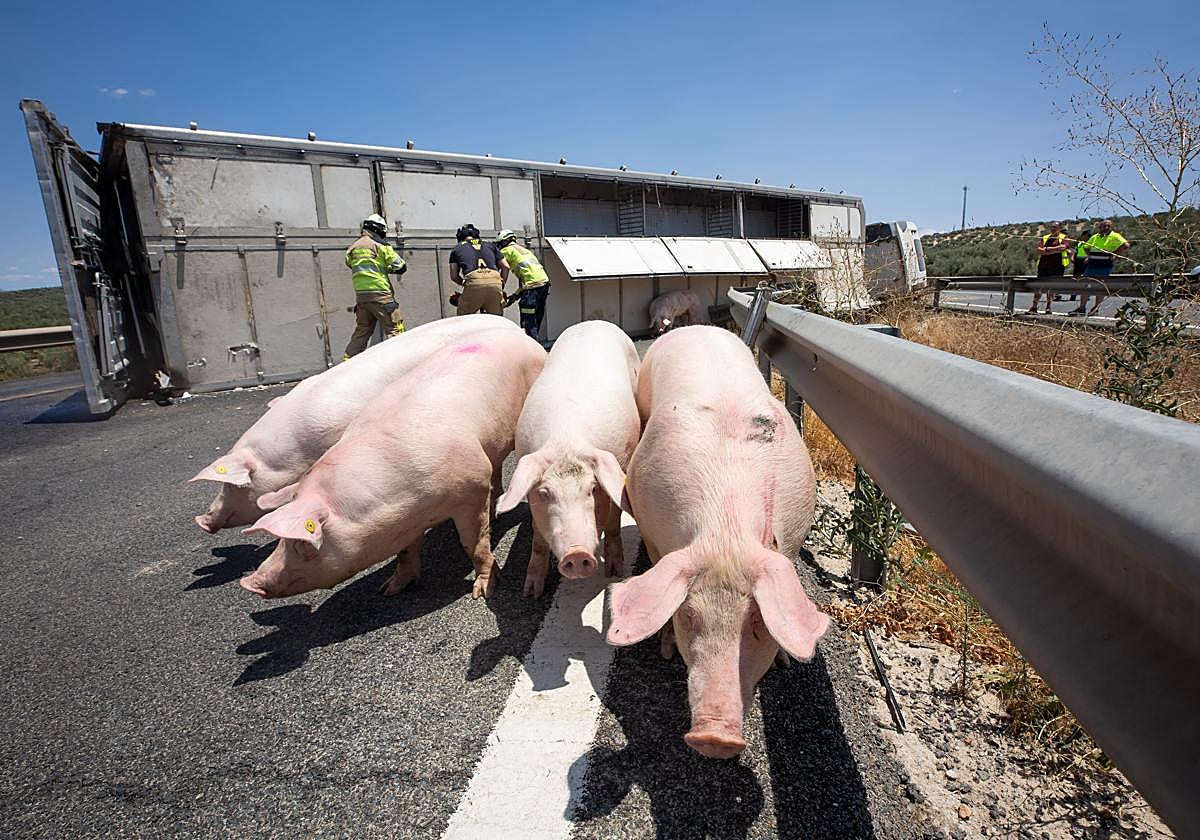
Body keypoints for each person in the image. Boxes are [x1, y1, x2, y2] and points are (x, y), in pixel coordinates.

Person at [343, 213, 407, 359]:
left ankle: (348, 362)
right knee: (395, 329)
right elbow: (400, 266)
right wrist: (388, 268)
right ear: (378, 230)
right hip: (381, 295)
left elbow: (351, 265)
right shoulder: (381, 246)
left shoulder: (352, 248)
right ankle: (400, 363)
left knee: (362, 331)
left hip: (362, 298)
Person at [496, 229, 550, 340]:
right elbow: (526, 282)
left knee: (528, 321)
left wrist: (498, 288)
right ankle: (535, 344)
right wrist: (514, 296)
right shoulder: (525, 251)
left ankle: (532, 347)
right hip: (543, 285)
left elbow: (499, 268)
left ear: (504, 242)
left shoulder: (506, 250)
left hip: (532, 287)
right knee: (536, 318)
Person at [1069, 219, 1130, 316]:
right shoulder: (1095, 236)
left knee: (1100, 287)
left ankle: (1095, 308)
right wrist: (1089, 256)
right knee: (1085, 285)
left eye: (1108, 226)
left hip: (1104, 265)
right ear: (1100, 227)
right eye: (1104, 226)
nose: (1106, 228)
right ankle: (1082, 308)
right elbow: (1086, 247)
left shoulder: (1115, 236)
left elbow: (1126, 245)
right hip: (1092, 265)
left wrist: (1115, 254)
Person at [449, 224, 509, 315]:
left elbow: (454, 276)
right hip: (495, 279)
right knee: (496, 319)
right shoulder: (490, 245)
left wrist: (466, 285)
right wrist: (501, 286)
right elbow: (506, 267)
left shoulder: (457, 248)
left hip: (473, 279)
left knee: (464, 319)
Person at [1029, 222, 1069, 314]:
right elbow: (1039, 250)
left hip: (1057, 267)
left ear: (1059, 228)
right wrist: (1054, 250)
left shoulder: (1063, 237)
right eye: (1052, 227)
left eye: (1055, 227)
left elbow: (1062, 248)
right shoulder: (1045, 237)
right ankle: (1034, 306)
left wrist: (1046, 250)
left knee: (1051, 288)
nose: (1053, 229)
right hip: (1043, 266)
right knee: (1038, 287)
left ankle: (1048, 307)